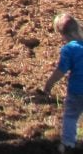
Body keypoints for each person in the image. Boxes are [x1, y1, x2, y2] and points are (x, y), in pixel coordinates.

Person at [42, 12, 83, 153]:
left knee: (71, 116)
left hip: (77, 91)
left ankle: (68, 144)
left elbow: (61, 70)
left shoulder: (69, 49)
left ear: (62, 34)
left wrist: (48, 85)